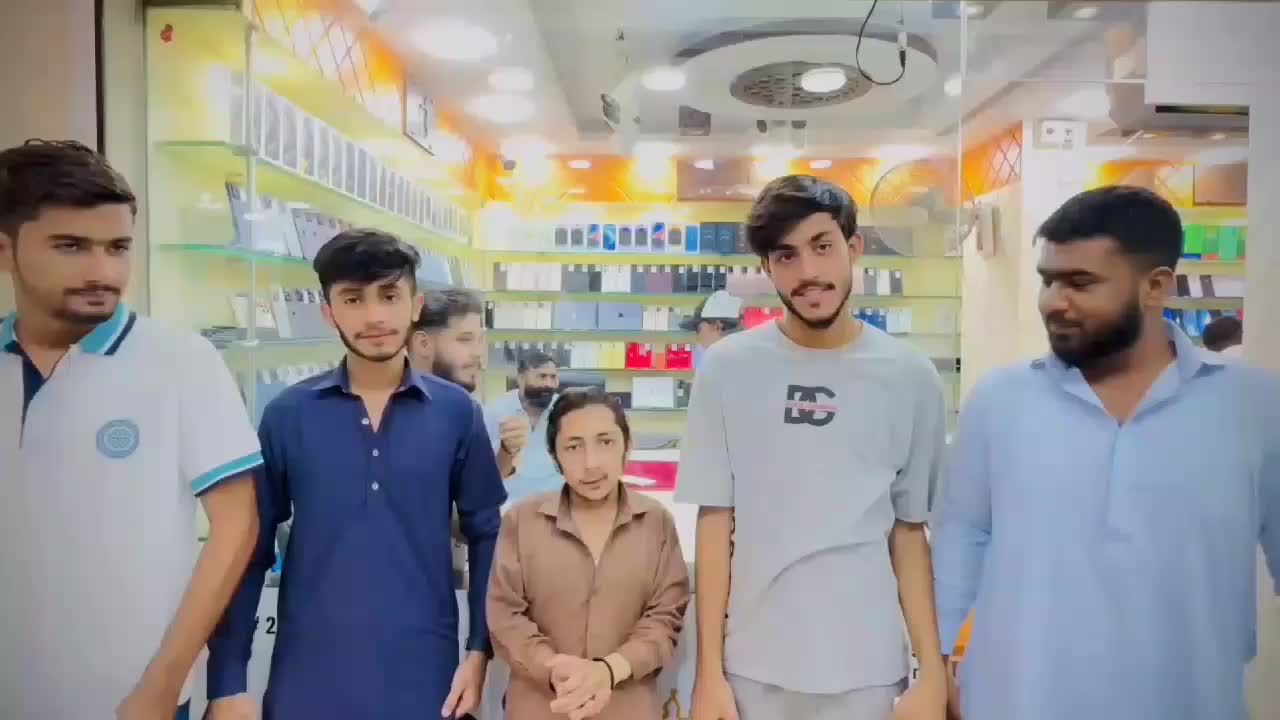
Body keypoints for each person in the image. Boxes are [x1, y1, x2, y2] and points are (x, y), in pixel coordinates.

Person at [932, 186, 1280, 720]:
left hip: (1189, 701)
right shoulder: (1000, 401)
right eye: (1047, 280)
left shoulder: (1253, 407)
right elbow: (960, 537)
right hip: (1016, 701)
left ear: (1155, 287)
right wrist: (937, 668)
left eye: (1080, 283)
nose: (1053, 301)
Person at [0, 139, 261, 719]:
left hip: (133, 700)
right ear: (6, 251)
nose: (103, 272)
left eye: (118, 248)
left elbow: (237, 525)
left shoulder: (180, 360)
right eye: (71, 246)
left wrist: (163, 684)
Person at [677, 174, 949, 720]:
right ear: (767, 268)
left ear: (854, 247)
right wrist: (708, 675)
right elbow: (715, 523)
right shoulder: (728, 369)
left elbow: (909, 532)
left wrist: (932, 673)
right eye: (786, 256)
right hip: (753, 665)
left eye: (822, 247)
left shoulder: (911, 376)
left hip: (870, 668)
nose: (807, 272)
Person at [205, 230, 507, 719]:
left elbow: (487, 533)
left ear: (415, 305)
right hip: (307, 682)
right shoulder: (287, 415)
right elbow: (249, 547)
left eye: (389, 295)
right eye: (353, 299)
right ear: (328, 312)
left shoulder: (457, 413)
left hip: (427, 680)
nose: (374, 317)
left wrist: (479, 651)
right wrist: (227, 682)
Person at [487, 387, 690, 720]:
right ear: (554, 456)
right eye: (574, 446)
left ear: (627, 446)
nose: (591, 463)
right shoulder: (521, 521)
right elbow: (505, 614)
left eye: (605, 442)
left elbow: (665, 618)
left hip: (627, 708)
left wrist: (607, 671)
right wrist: (554, 669)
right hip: (542, 707)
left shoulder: (656, 522)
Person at [412, 288, 530, 480]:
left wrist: (507, 452)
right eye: (465, 340)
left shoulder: (467, 411)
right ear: (423, 344)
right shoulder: (389, 412)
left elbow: (477, 484)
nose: (478, 353)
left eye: (480, 341)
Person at [484, 350, 563, 504]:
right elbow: (485, 467)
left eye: (553, 377)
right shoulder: (495, 411)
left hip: (555, 503)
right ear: (520, 379)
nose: (548, 384)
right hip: (510, 505)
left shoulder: (563, 409)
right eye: (541, 376)